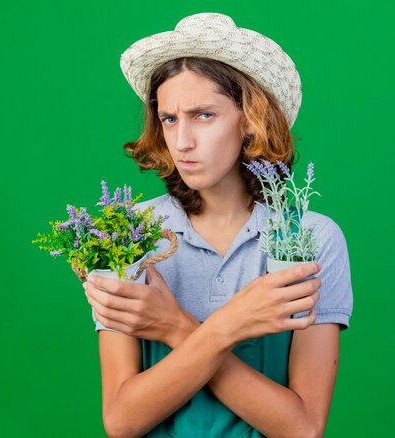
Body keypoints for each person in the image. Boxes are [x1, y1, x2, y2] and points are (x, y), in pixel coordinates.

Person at [81, 12, 353, 438]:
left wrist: (174, 327)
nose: (182, 142)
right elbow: (122, 420)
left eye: (203, 115)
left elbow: (301, 429)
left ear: (250, 119)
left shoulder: (312, 240)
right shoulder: (127, 234)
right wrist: (231, 325)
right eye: (169, 119)